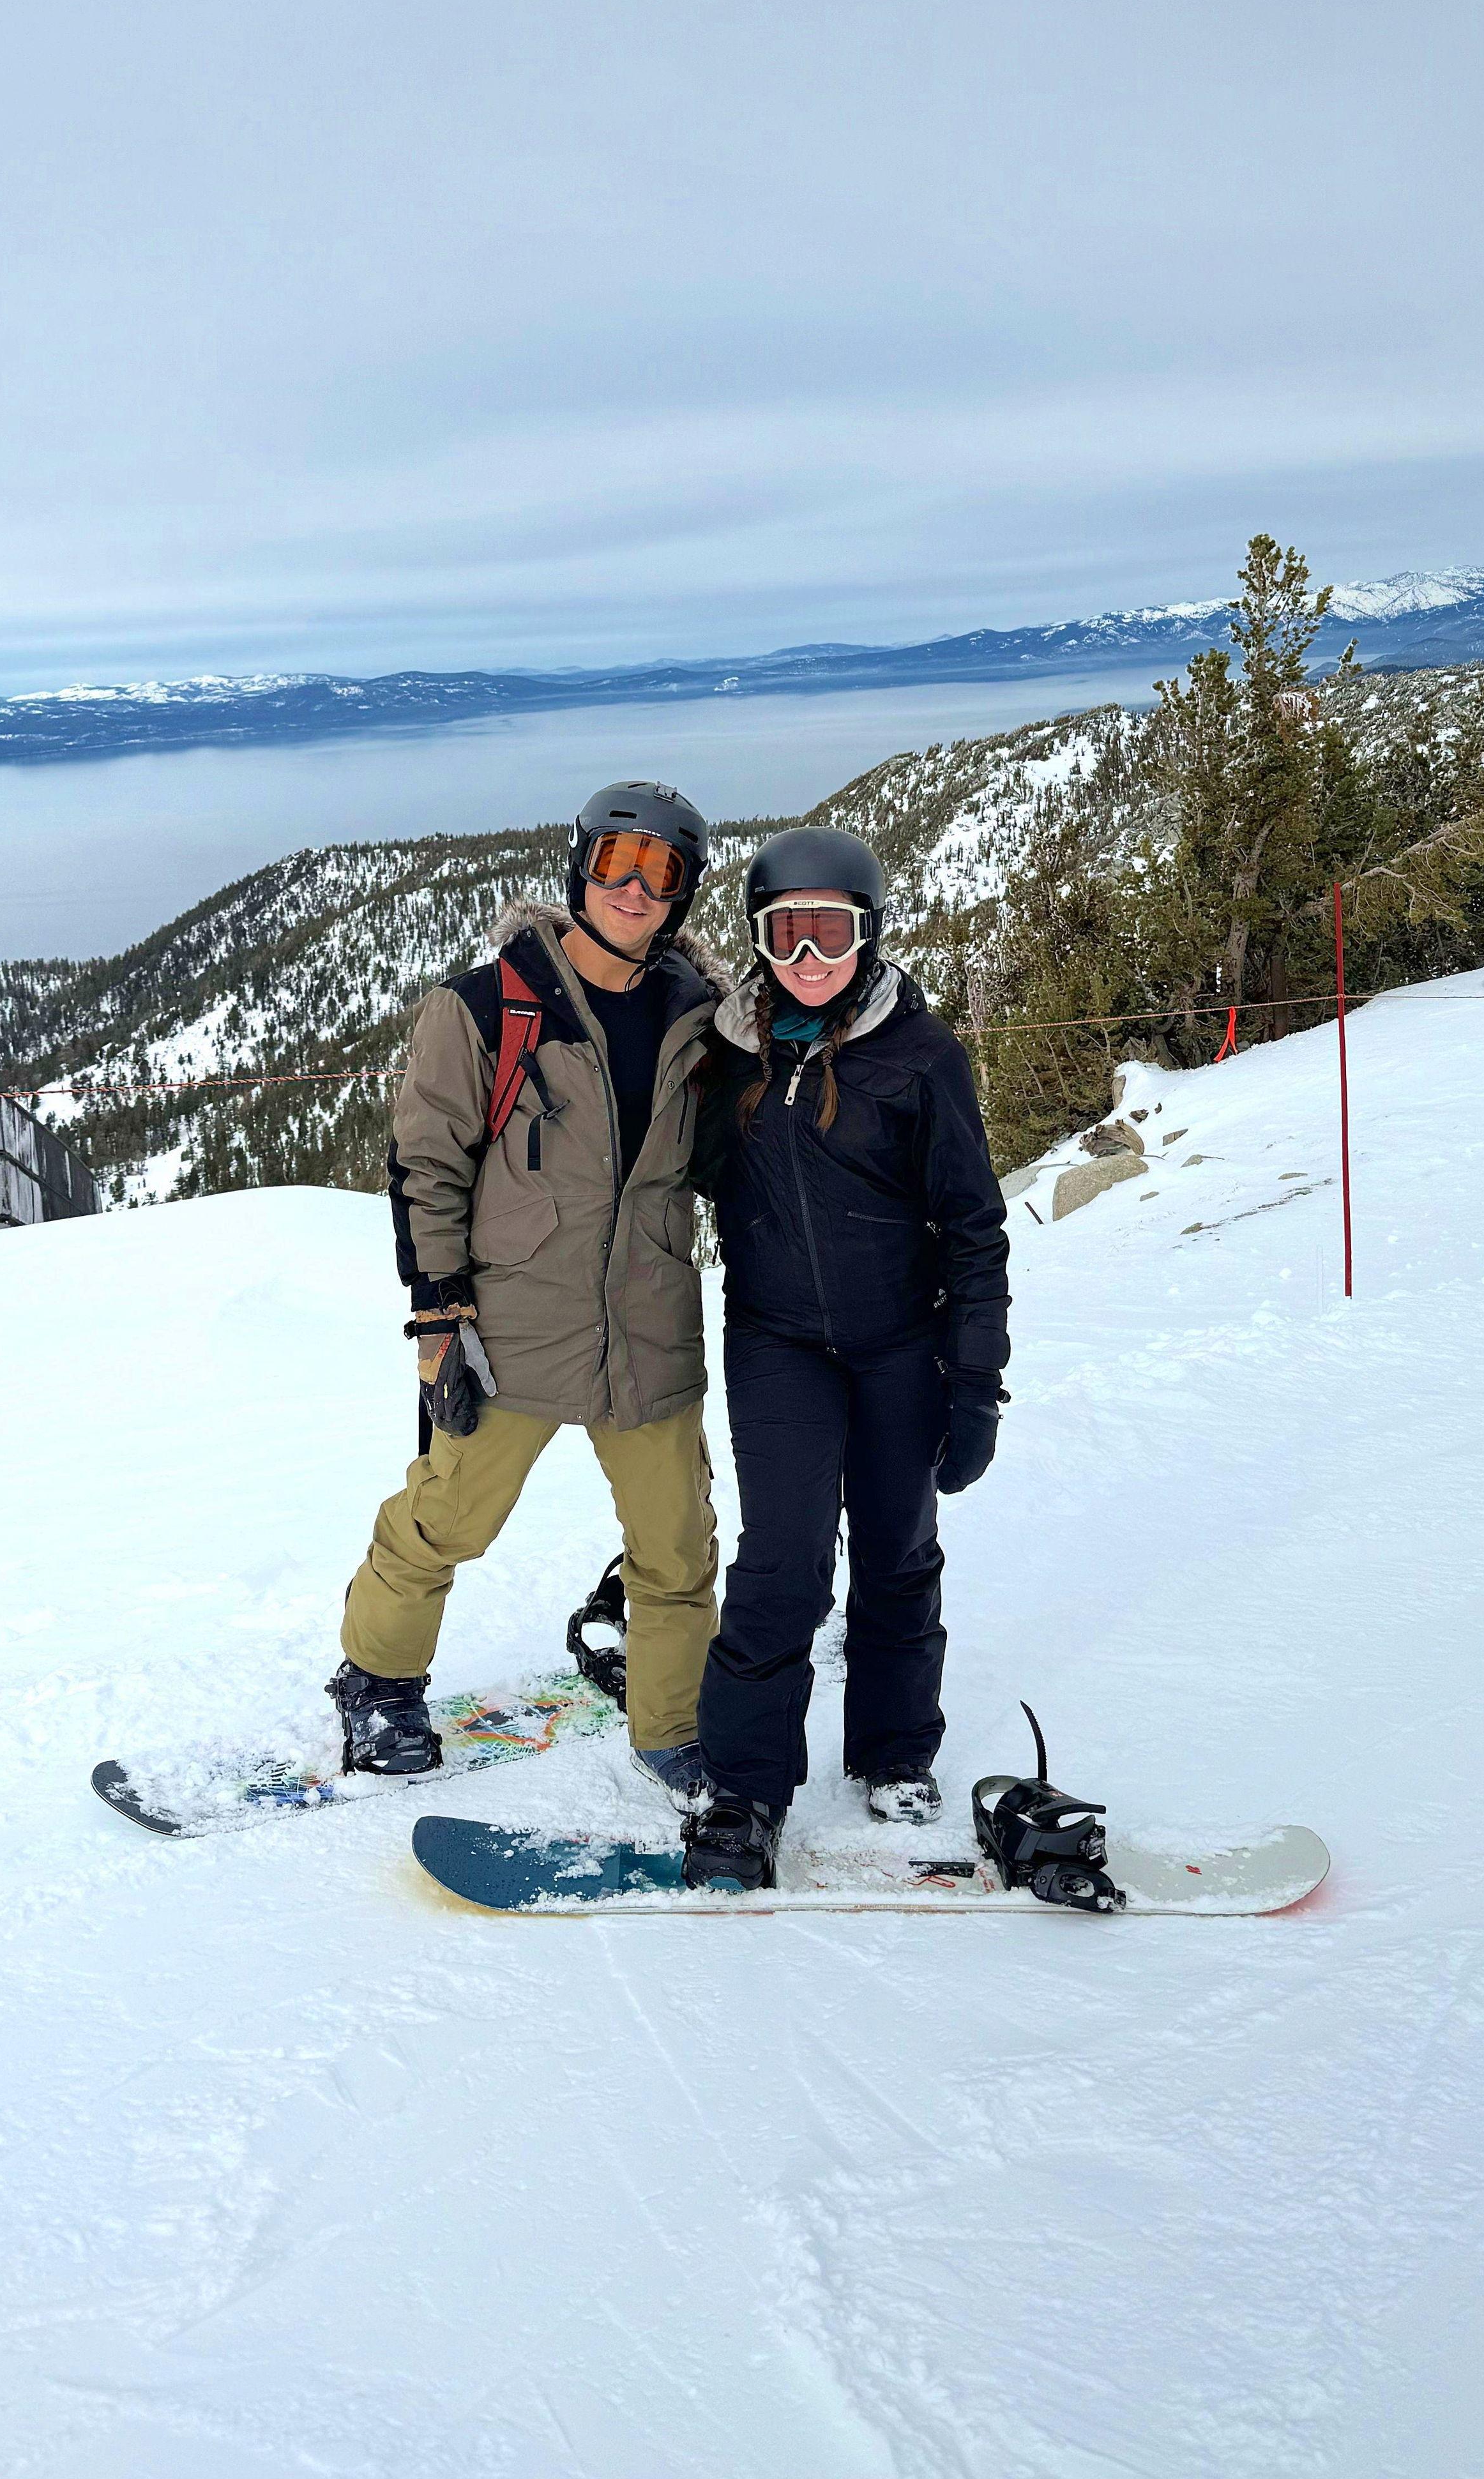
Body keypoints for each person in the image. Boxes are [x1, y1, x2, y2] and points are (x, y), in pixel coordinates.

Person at [326, 782, 728, 1803]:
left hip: (649, 1328)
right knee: (447, 1517)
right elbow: (428, 1162)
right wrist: (436, 1312)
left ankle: (673, 1727)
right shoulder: (488, 1008)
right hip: (513, 1322)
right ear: (580, 868)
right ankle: (377, 1680)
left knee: (677, 1547)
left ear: (683, 894)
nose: (636, 889)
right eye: (616, 863)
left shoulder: (703, 1022)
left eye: (663, 871)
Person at [676, 826, 1011, 1891]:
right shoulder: (727, 1053)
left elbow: (974, 1231)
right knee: (781, 1562)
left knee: (899, 1549)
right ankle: (746, 1784)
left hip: (900, 1344)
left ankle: (895, 1749)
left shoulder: (921, 1055)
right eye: (786, 930)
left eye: (832, 929)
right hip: (776, 1340)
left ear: (869, 935)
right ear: (760, 937)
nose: (809, 954)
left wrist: (977, 1386)